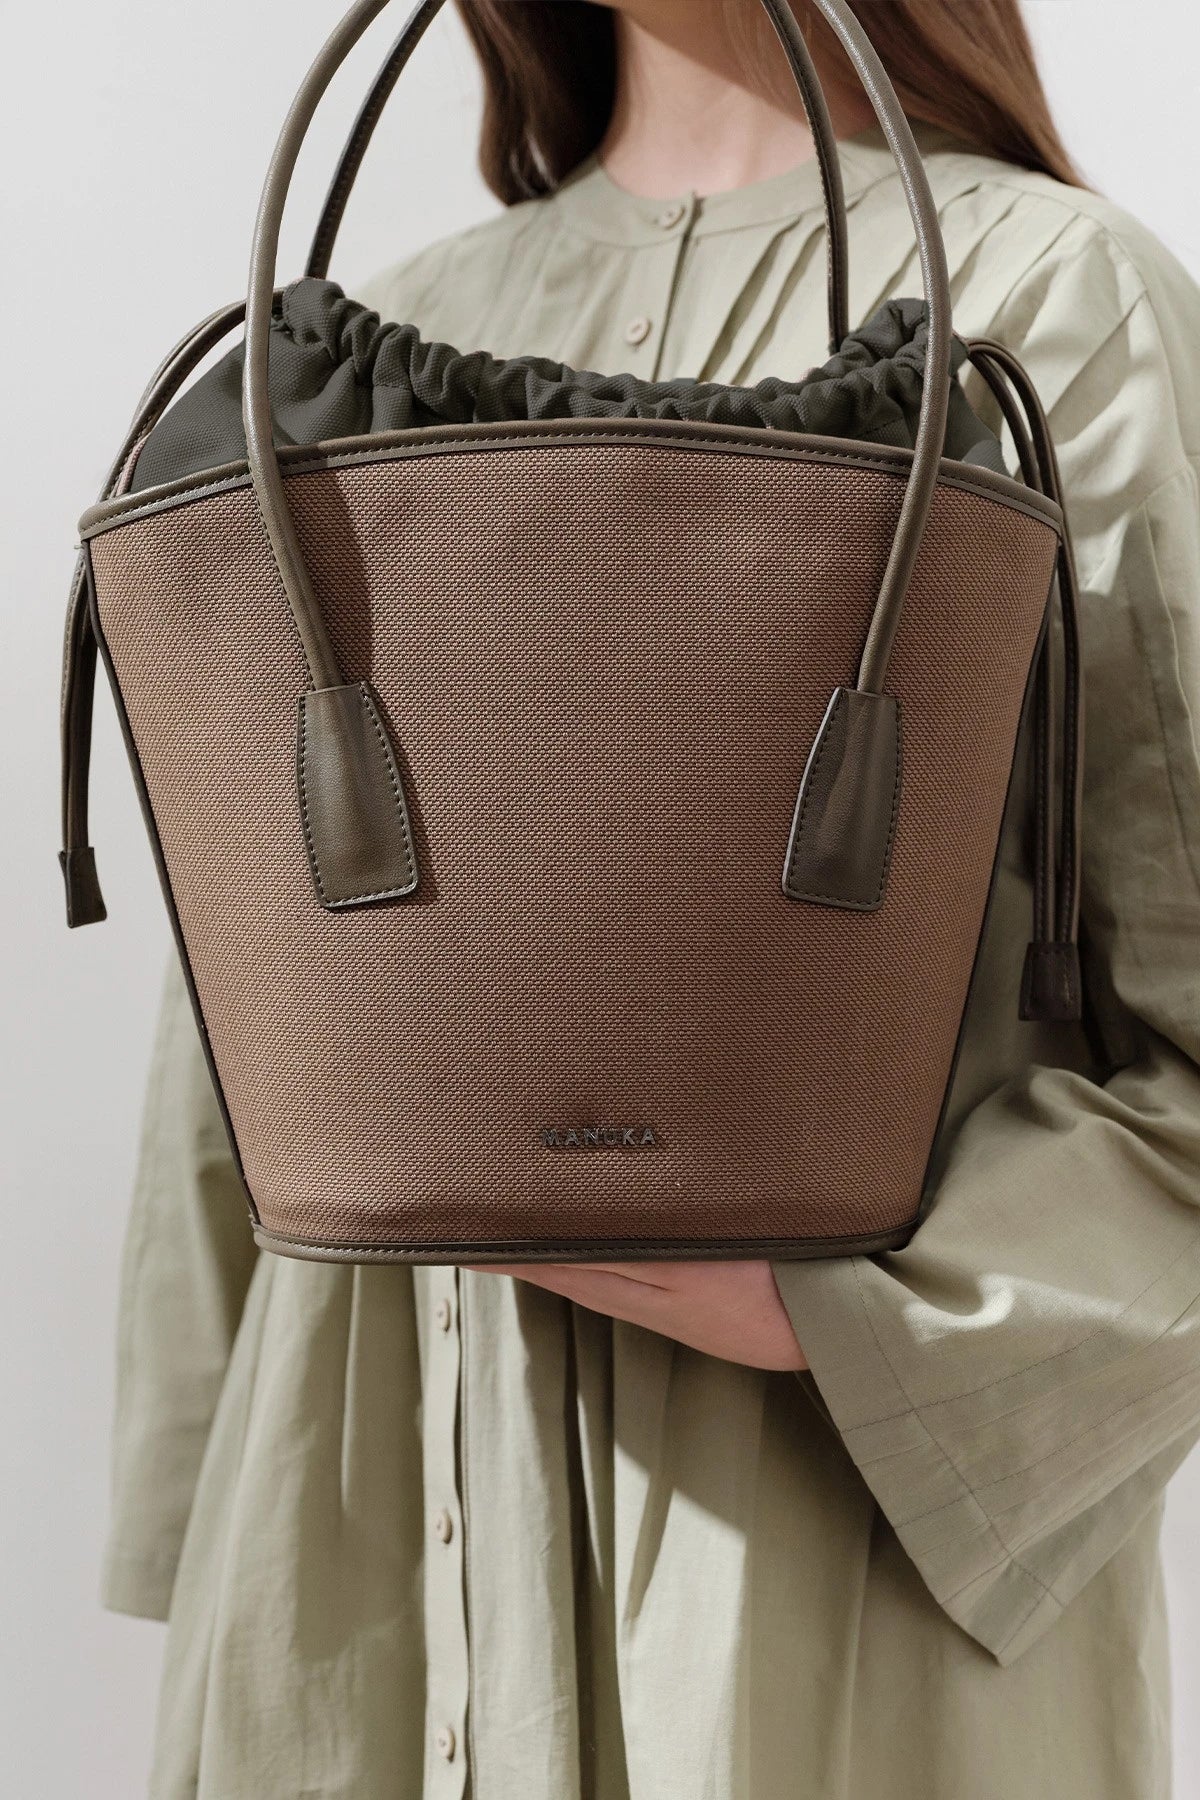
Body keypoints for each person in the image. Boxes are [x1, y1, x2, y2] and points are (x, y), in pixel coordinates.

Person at [103, 3, 1200, 1795]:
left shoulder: (1056, 304)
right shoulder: (361, 324)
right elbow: (239, 1031)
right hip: (358, 1560)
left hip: (814, 1595)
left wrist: (884, 1319)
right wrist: (202, 1505)